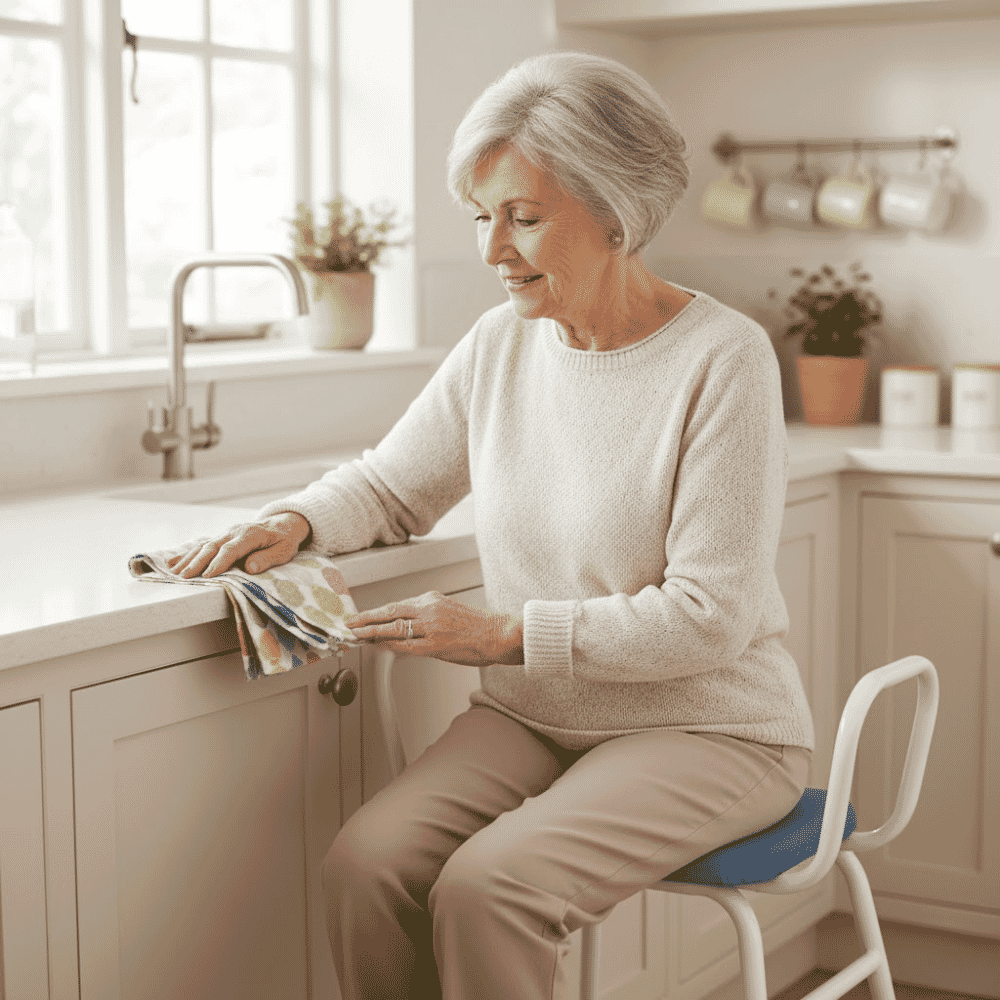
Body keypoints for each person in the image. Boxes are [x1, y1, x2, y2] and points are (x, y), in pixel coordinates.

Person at [166, 50, 814, 1000]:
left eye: (524, 216)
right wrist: (296, 519)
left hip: (712, 729)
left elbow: (710, 614)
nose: (491, 249)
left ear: (615, 209)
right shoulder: (501, 344)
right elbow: (393, 487)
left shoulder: (724, 360)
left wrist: (505, 634)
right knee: (367, 864)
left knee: (491, 887)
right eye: (482, 216)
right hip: (536, 715)